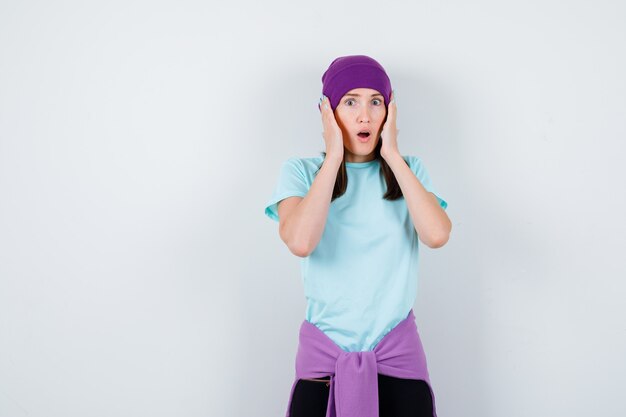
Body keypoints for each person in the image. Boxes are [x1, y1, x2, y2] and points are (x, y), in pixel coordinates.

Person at [264, 55, 451, 417]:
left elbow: (437, 234)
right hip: (324, 368)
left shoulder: (409, 171)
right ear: (328, 111)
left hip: (398, 361)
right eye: (350, 102)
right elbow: (300, 241)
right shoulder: (301, 172)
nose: (364, 115)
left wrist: (392, 154)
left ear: (389, 111)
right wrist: (334, 154)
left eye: (375, 102)